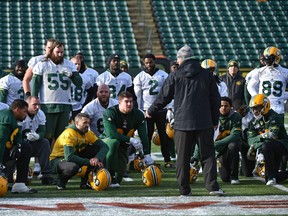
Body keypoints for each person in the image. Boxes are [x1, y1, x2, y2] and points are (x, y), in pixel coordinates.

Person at [146, 45, 223, 196]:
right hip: (204, 121)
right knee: (207, 156)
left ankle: (184, 189)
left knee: (182, 157)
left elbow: (163, 97)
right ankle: (212, 187)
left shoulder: (175, 74)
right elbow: (216, 99)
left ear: (180, 59)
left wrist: (150, 110)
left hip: (182, 123)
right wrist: (215, 120)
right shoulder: (206, 74)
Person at [31, 40, 83, 146]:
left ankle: (58, 160)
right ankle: (43, 161)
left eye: (62, 52)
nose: (60, 55)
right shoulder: (42, 65)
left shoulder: (69, 65)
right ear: (51, 51)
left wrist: (72, 75)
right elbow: (35, 86)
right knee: (47, 136)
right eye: (57, 52)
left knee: (62, 136)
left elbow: (79, 83)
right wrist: (34, 101)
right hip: (47, 105)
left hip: (65, 105)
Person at [247, 47, 288, 171]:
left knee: (276, 137)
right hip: (263, 108)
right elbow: (249, 85)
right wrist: (257, 98)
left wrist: (283, 96)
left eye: (269, 58)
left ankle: (275, 165)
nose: (266, 61)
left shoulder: (285, 72)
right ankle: (260, 156)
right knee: (262, 133)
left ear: (277, 57)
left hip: (278, 109)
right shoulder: (259, 71)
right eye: (265, 59)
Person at [102, 91, 153, 188]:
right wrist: (131, 140)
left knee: (119, 177)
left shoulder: (137, 114)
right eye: (126, 101)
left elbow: (144, 136)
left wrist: (146, 154)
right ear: (119, 102)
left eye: (131, 101)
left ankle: (113, 175)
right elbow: (111, 134)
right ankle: (109, 172)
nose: (129, 104)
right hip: (106, 143)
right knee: (114, 142)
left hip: (123, 146)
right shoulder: (111, 112)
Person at [134, 53, 174, 168]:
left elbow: (168, 93)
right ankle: (147, 158)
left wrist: (169, 107)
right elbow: (138, 96)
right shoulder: (140, 76)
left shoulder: (163, 75)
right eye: (146, 62)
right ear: (143, 63)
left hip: (161, 109)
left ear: (154, 61)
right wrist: (140, 110)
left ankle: (167, 159)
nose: (149, 64)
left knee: (163, 135)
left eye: (150, 62)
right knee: (147, 136)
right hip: (147, 110)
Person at [49, 113, 109, 190]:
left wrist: (97, 158)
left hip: (75, 155)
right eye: (84, 123)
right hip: (58, 159)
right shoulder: (69, 133)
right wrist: (89, 162)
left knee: (96, 150)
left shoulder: (88, 133)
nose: (87, 125)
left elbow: (104, 146)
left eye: (88, 123)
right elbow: (69, 157)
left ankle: (86, 181)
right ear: (76, 123)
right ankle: (61, 180)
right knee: (73, 167)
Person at [247, 94, 288, 185]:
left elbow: (273, 136)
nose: (255, 111)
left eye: (257, 108)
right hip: (268, 149)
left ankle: (271, 177)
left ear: (265, 106)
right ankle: (272, 176)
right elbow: (250, 141)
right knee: (268, 176)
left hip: (282, 146)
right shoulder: (253, 122)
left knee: (266, 146)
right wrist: (256, 144)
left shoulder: (274, 117)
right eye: (253, 108)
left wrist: (258, 146)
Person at [0, 99, 37, 193]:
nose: (26, 114)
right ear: (17, 109)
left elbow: (18, 135)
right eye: (24, 111)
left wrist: (18, 144)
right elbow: (1, 141)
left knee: (25, 147)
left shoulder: (13, 118)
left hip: (4, 149)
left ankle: (20, 184)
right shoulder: (7, 118)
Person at [20, 96, 54, 185]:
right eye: (34, 104)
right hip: (19, 143)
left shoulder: (41, 114)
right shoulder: (21, 113)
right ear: (27, 105)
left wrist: (37, 136)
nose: (37, 107)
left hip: (32, 143)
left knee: (44, 142)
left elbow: (43, 131)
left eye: (39, 104)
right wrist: (25, 134)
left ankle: (46, 174)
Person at [215, 97, 242, 185]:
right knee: (225, 178)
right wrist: (196, 157)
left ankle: (234, 176)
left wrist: (216, 143)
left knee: (233, 145)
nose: (223, 108)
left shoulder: (236, 116)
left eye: (226, 106)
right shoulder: (213, 116)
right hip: (220, 149)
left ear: (231, 107)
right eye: (221, 106)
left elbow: (234, 136)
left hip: (230, 145)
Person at [70, 55, 93, 121]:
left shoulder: (85, 78)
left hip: (78, 108)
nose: (77, 66)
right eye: (75, 64)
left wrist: (84, 105)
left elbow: (91, 93)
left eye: (79, 64)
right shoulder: (65, 77)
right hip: (66, 108)